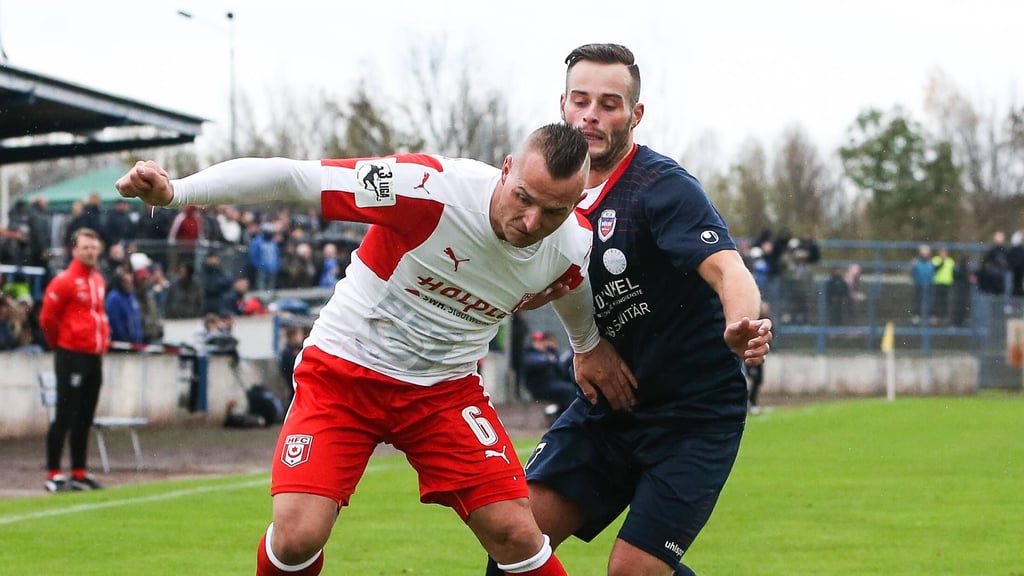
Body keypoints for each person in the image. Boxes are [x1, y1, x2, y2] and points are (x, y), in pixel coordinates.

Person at [116, 122, 637, 576]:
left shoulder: (571, 242)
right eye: (523, 197)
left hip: (443, 393)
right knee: (298, 536)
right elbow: (294, 176)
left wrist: (586, 344)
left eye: (553, 211)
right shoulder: (427, 188)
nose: (531, 223)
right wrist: (177, 192)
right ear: (505, 170)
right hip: (345, 371)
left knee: (516, 534)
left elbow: (574, 288)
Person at [485, 44, 772, 576]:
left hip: (692, 415)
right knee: (515, 539)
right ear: (563, 106)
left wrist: (741, 323)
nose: (592, 114)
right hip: (605, 409)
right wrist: (582, 346)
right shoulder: (542, 192)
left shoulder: (662, 188)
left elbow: (729, 269)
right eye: (581, 99)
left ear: (635, 114)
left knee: (633, 571)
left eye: (610, 103)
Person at [39, 227, 110, 492]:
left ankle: (79, 472)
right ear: (75, 250)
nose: (90, 252)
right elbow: (48, 318)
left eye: (94, 247)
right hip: (72, 354)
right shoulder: (65, 281)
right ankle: (54, 473)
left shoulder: (99, 280)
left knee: (85, 417)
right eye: (85, 247)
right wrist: (60, 344)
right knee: (65, 415)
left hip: (94, 355)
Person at [521, 330, 578, 421]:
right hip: (540, 388)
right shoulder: (530, 354)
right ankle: (570, 418)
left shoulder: (548, 353)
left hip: (551, 385)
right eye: (537, 342)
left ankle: (562, 416)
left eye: (542, 341)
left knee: (571, 389)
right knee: (568, 390)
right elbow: (532, 364)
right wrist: (548, 361)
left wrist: (553, 351)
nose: (540, 344)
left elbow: (560, 369)